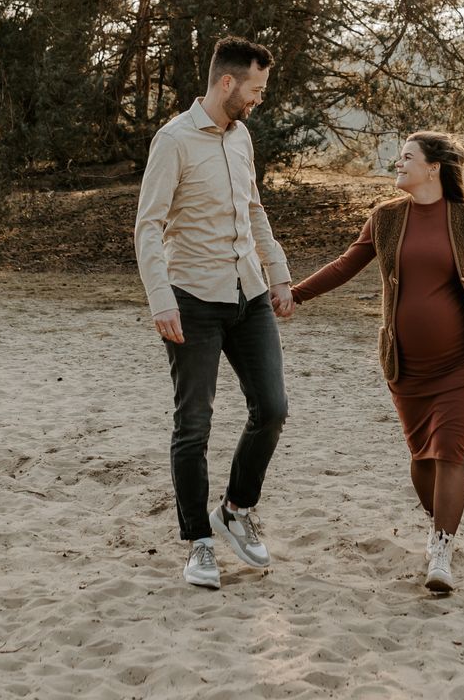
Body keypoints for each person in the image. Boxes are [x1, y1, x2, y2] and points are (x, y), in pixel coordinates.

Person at [288, 131, 464, 593]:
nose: (398, 163)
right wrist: (295, 295)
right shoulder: (386, 218)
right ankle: (437, 525)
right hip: (407, 364)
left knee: (449, 452)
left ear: (433, 167)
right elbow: (345, 265)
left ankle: (442, 551)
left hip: (462, 361)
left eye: (407, 157)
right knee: (422, 457)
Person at [133, 37, 295, 589]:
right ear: (227, 82)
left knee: (271, 409)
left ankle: (236, 509)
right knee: (194, 425)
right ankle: (199, 542)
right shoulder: (173, 141)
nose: (258, 99)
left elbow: (254, 209)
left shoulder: (241, 136)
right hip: (193, 301)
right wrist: (161, 299)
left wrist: (278, 273)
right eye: (255, 89)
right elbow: (148, 226)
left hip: (250, 295)